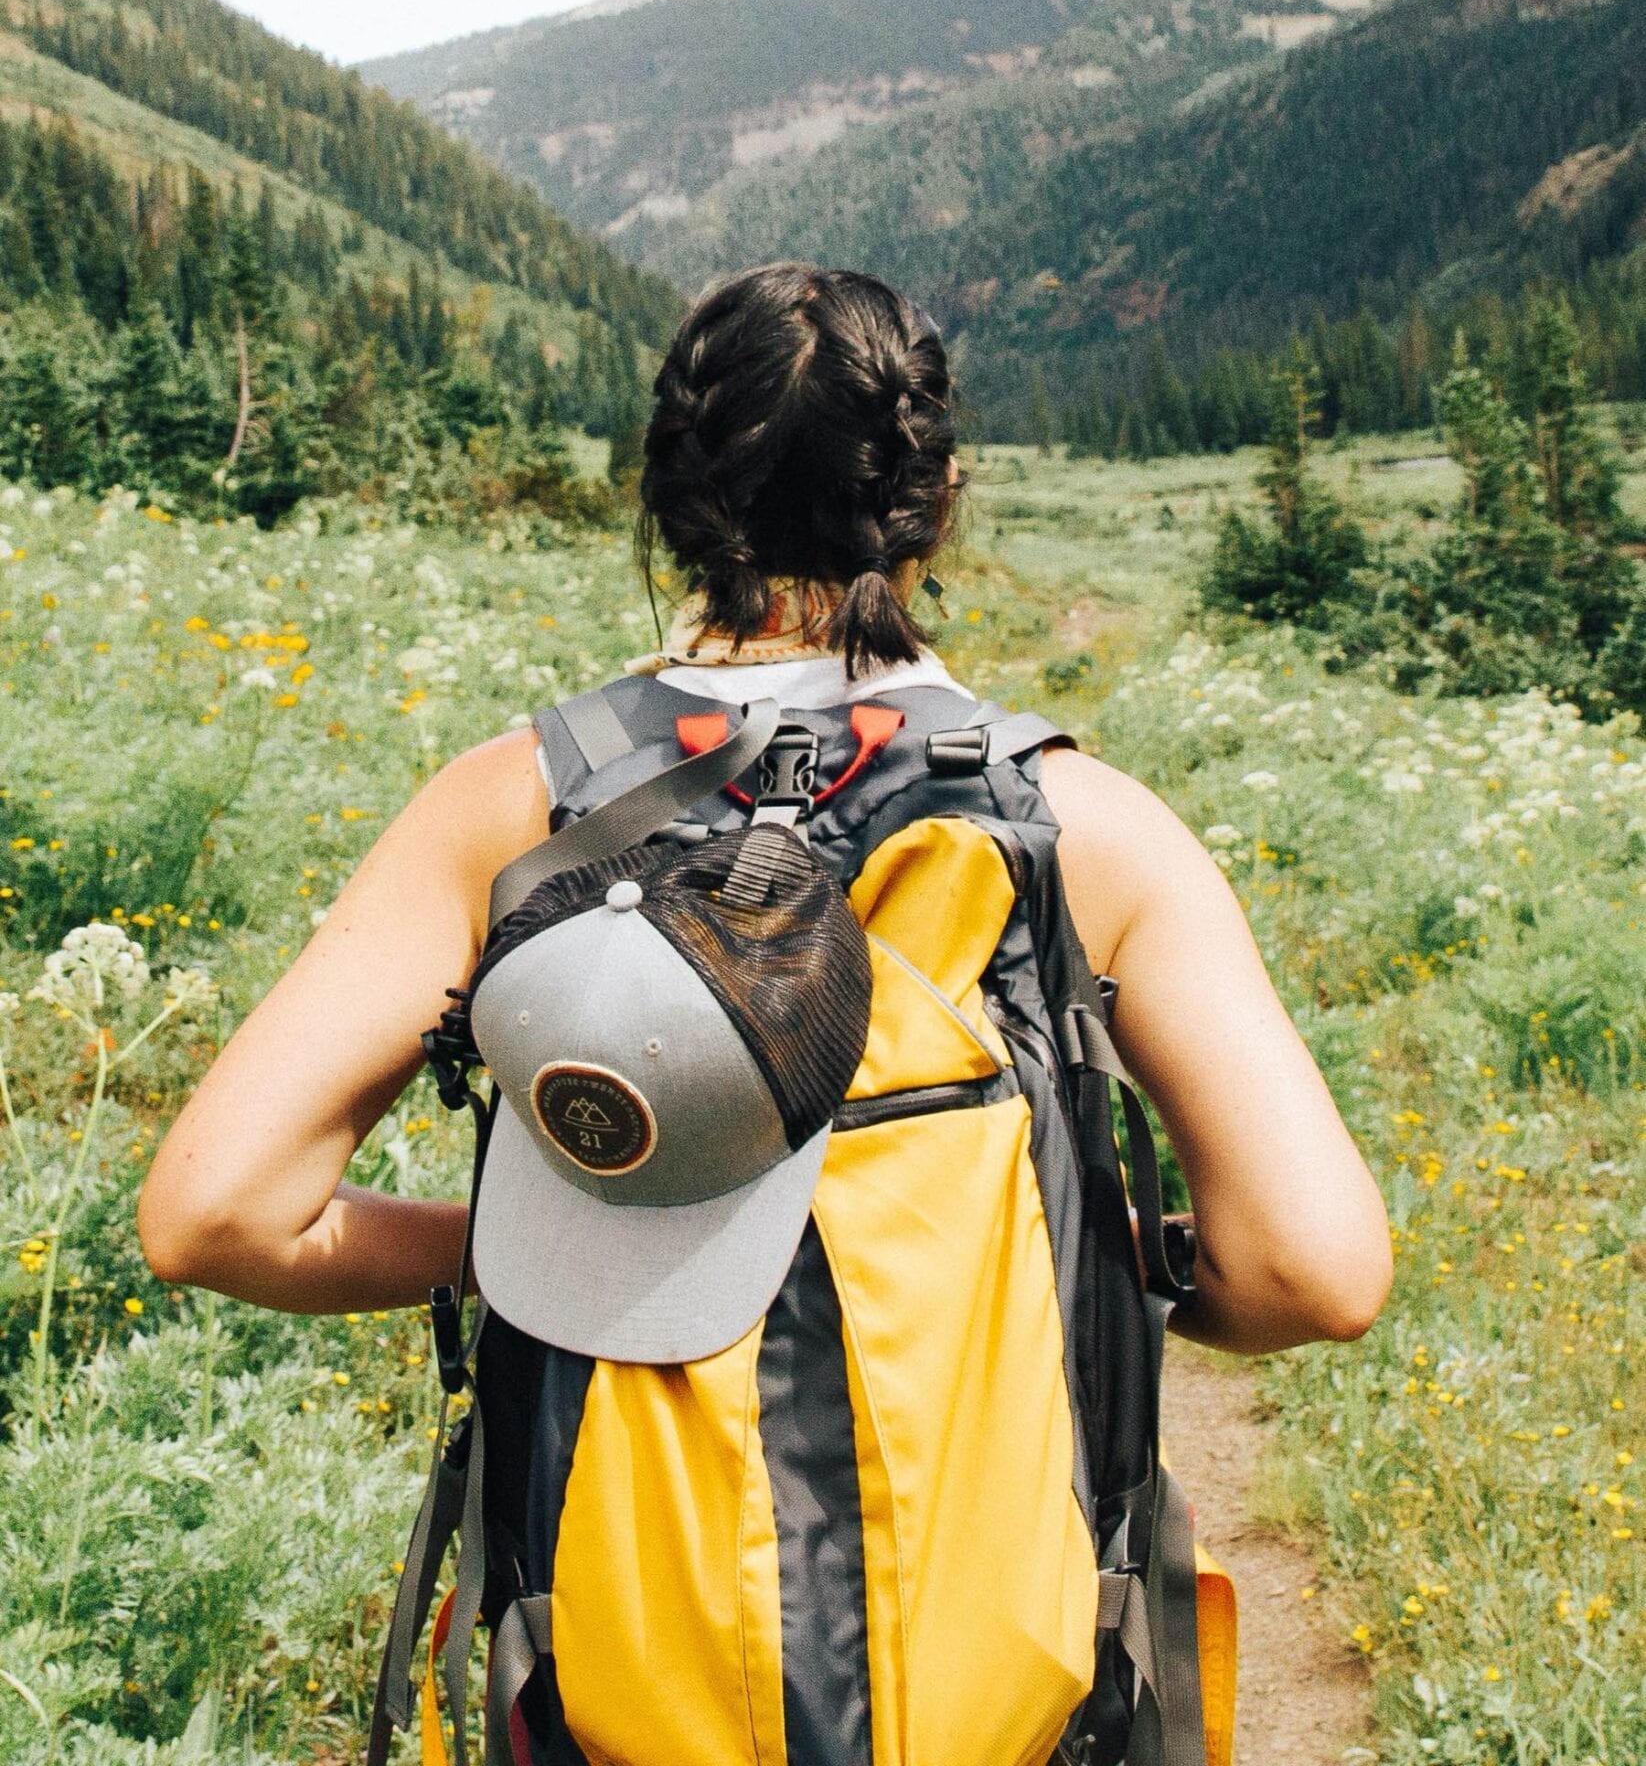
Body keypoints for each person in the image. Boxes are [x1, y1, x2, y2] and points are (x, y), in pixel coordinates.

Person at [140, 259, 1390, 1353]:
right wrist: (1069, 1264)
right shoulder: (1082, 823)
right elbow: (1311, 1273)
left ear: (669, 503)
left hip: (605, 1611)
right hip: (997, 1616)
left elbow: (218, 1214)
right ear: (937, 498)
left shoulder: (512, 802)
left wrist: (514, 1255)